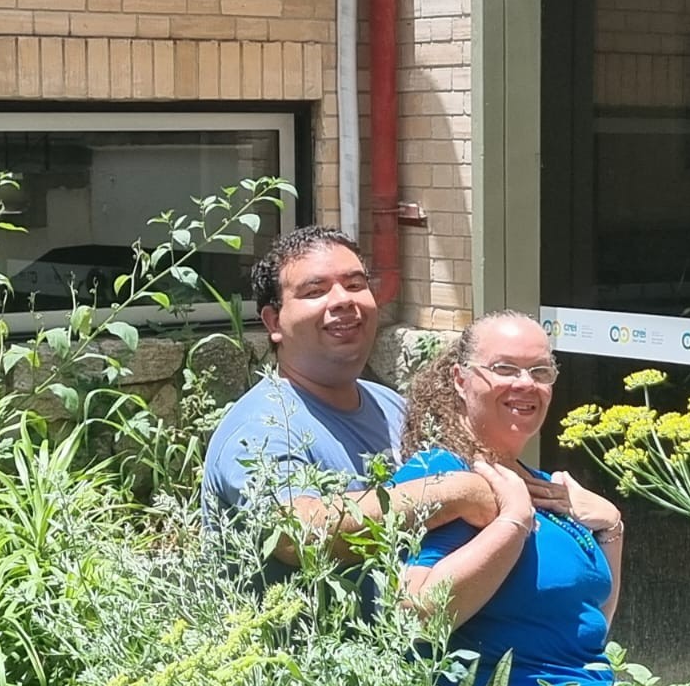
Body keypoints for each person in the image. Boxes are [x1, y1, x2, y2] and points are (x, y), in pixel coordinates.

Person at [201, 227, 569, 591]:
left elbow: (491, 479)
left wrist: (572, 505)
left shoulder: (391, 405)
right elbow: (293, 532)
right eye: (315, 291)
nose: (343, 299)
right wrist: (455, 494)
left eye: (356, 284)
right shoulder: (262, 427)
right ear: (273, 322)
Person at [392, 310, 625, 686]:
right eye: (505, 368)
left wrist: (612, 528)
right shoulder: (445, 476)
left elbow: (589, 625)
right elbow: (418, 614)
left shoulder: (545, 487)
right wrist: (513, 520)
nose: (525, 384)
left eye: (540, 371)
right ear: (460, 380)